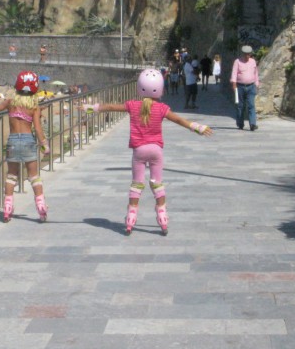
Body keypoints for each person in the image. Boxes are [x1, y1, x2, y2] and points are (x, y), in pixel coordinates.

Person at [84, 69, 212, 235]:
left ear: (139, 87)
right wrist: (198, 127)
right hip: (156, 151)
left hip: (139, 151)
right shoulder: (162, 108)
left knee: (137, 185)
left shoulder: (132, 105)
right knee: (157, 184)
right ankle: (163, 218)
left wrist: (89, 108)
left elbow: (110, 107)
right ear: (160, 89)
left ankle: (130, 219)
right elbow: (179, 120)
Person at [0, 70, 49, 223]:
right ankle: (41, 207)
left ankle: (7, 208)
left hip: (13, 141)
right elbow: (38, 128)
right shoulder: (34, 106)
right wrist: (44, 145)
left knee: (12, 175)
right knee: (34, 176)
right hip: (28, 141)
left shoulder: (10, 102)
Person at [231, 45, 260, 131]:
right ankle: (240, 123)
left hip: (251, 86)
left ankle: (252, 124)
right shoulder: (237, 61)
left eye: (248, 54)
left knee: (251, 105)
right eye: (245, 54)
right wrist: (234, 83)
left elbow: (256, 73)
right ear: (243, 54)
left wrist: (257, 84)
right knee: (240, 106)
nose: (247, 56)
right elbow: (234, 73)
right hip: (240, 86)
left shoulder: (253, 62)